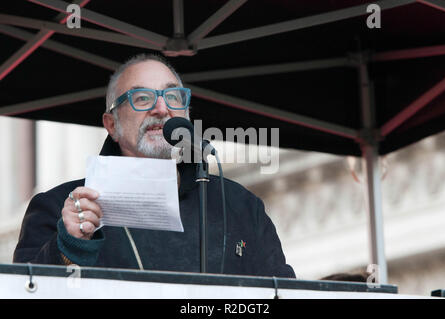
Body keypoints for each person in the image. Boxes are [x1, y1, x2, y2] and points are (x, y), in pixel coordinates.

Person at [13, 54, 295, 278]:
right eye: (142, 98)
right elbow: (26, 290)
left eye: (173, 97)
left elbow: (283, 292)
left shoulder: (241, 206)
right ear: (112, 124)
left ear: (185, 113)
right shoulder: (60, 208)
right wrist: (69, 245)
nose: (161, 109)